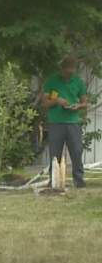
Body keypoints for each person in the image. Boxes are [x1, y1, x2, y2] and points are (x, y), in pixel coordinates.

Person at [41, 56, 91, 188]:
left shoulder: (78, 82)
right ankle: (54, 180)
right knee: (55, 153)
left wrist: (77, 106)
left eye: (72, 70)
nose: (69, 73)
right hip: (56, 122)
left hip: (73, 121)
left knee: (76, 151)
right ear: (62, 69)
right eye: (67, 70)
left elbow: (85, 103)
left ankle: (79, 180)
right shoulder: (52, 82)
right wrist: (56, 101)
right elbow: (45, 103)